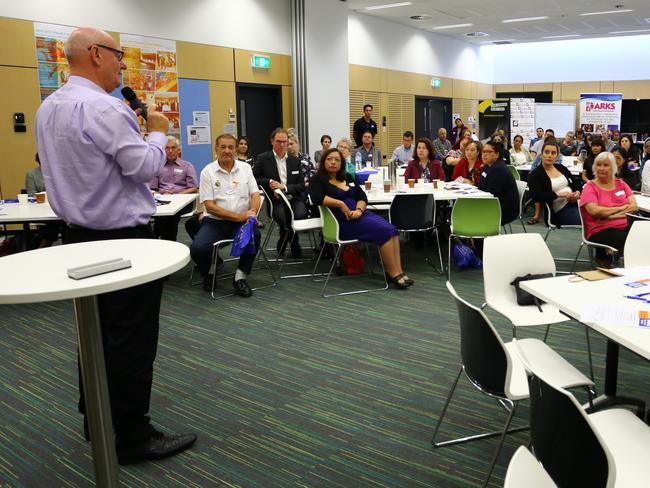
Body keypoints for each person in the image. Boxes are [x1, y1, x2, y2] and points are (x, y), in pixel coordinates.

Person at [35, 27, 196, 465]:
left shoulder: (48, 107)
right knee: (131, 338)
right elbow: (144, 168)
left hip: (76, 237)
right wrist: (158, 132)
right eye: (119, 55)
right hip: (121, 240)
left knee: (94, 332)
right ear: (96, 54)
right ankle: (132, 435)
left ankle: (98, 419)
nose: (123, 63)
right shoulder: (104, 107)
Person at [308, 148, 413, 289]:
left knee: (392, 229)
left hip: (360, 215)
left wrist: (358, 209)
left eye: (337, 160)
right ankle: (393, 274)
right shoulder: (317, 180)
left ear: (341, 163)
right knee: (385, 232)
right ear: (323, 161)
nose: (333, 162)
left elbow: (362, 197)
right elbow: (316, 198)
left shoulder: (347, 177)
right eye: (329, 159)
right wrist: (340, 204)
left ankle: (398, 271)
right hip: (343, 222)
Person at [190, 133, 261, 297]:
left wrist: (252, 215)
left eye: (231, 147)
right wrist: (239, 217)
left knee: (254, 236)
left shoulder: (246, 168)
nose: (227, 151)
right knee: (198, 249)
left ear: (236, 150)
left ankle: (240, 278)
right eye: (223, 147)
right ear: (216, 149)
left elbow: (255, 195)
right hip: (216, 222)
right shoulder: (207, 172)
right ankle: (211, 270)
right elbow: (210, 206)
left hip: (242, 223)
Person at [253, 127, 307, 257]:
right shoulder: (263, 158)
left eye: (285, 142)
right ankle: (294, 243)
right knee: (284, 218)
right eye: (279, 141)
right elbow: (254, 179)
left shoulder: (295, 161)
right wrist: (270, 182)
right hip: (276, 201)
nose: (282, 145)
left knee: (300, 215)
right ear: (272, 141)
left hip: (293, 198)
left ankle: (283, 238)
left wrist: (285, 187)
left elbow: (301, 185)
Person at [579, 151, 638, 266]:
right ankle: (618, 267)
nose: (601, 168)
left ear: (613, 167)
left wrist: (611, 215)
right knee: (631, 241)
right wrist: (623, 208)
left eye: (606, 165)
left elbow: (634, 207)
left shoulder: (621, 184)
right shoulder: (590, 187)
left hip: (626, 224)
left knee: (644, 234)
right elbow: (595, 211)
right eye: (599, 165)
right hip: (600, 229)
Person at [149, 136, 199, 241]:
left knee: (170, 215)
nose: (170, 151)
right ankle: (166, 241)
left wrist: (177, 196)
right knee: (165, 214)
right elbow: (153, 188)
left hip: (183, 201)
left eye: (173, 148)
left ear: (178, 150)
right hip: (162, 200)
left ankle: (160, 238)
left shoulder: (187, 166)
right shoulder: (157, 166)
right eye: (167, 148)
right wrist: (162, 196)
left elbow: (194, 187)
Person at [527, 141, 581, 226]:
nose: (550, 155)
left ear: (557, 156)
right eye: (547, 152)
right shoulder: (535, 174)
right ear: (541, 154)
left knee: (598, 215)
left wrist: (577, 192)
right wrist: (560, 194)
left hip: (575, 202)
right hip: (559, 211)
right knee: (590, 220)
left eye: (553, 153)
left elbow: (576, 182)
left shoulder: (561, 168)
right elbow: (537, 196)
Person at [24, 152, 63, 248]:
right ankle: (42, 248)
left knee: (59, 223)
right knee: (53, 225)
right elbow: (31, 195)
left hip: (59, 208)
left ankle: (42, 248)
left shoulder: (59, 173)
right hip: (42, 209)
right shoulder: (31, 174)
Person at [478, 140, 519, 226]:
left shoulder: (498, 169)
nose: (484, 154)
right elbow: (481, 185)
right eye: (483, 152)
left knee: (466, 211)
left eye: (489, 152)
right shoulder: (488, 165)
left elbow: (490, 193)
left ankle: (476, 237)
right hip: (493, 204)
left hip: (503, 210)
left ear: (497, 154)